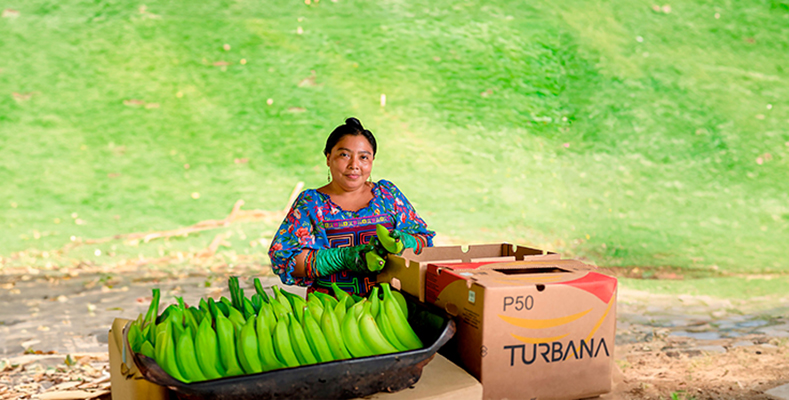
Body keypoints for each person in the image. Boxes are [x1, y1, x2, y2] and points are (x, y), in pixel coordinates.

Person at [268, 118, 435, 296]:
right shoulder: (311, 203)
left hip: (390, 307)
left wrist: (404, 242)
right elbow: (284, 259)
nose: (354, 165)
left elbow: (425, 242)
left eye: (363, 157)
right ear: (328, 157)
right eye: (344, 155)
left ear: (372, 161)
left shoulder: (389, 196)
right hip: (329, 309)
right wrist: (341, 258)